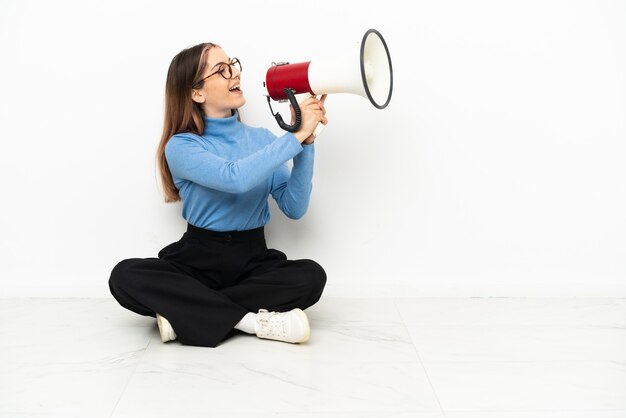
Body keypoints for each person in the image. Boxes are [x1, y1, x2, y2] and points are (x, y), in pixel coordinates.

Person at [108, 42, 328, 348]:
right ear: (197, 92)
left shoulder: (263, 140)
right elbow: (234, 177)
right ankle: (252, 323)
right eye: (221, 70)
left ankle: (186, 313)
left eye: (233, 65)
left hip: (253, 258)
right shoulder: (182, 146)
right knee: (124, 276)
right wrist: (294, 136)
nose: (234, 73)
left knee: (311, 276)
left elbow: (294, 207)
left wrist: (305, 145)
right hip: (197, 259)